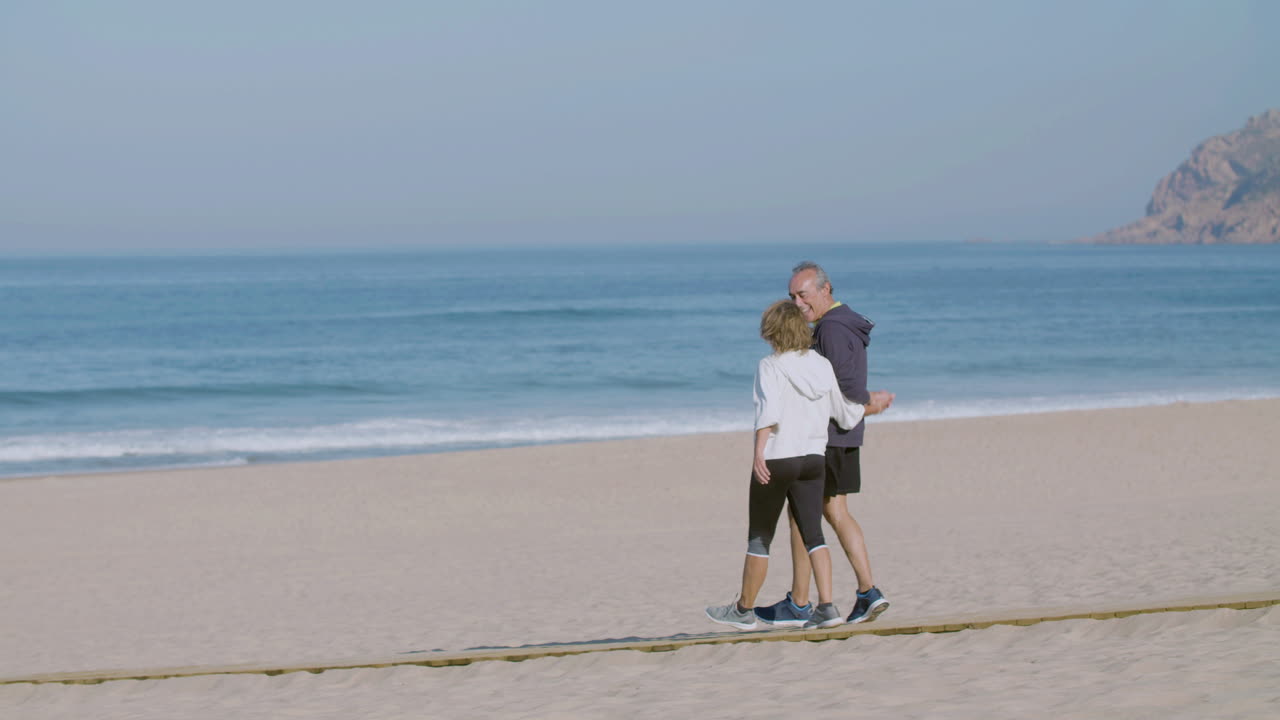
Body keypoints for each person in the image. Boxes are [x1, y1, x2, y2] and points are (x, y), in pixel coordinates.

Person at [705, 300, 894, 631]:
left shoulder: (770, 365)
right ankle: (826, 607)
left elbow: (768, 412)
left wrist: (758, 453)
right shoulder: (821, 365)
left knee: (760, 538)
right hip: (814, 460)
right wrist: (871, 405)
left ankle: (744, 610)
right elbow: (846, 412)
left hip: (779, 459)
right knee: (814, 535)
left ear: (772, 331)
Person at [755, 261, 891, 627]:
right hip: (839, 436)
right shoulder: (839, 324)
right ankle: (858, 594)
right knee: (826, 513)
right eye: (792, 296)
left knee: (809, 515)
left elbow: (843, 389)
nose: (797, 303)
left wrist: (867, 406)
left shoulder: (830, 328)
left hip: (829, 437)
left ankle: (809, 603)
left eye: (803, 294)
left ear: (825, 290)